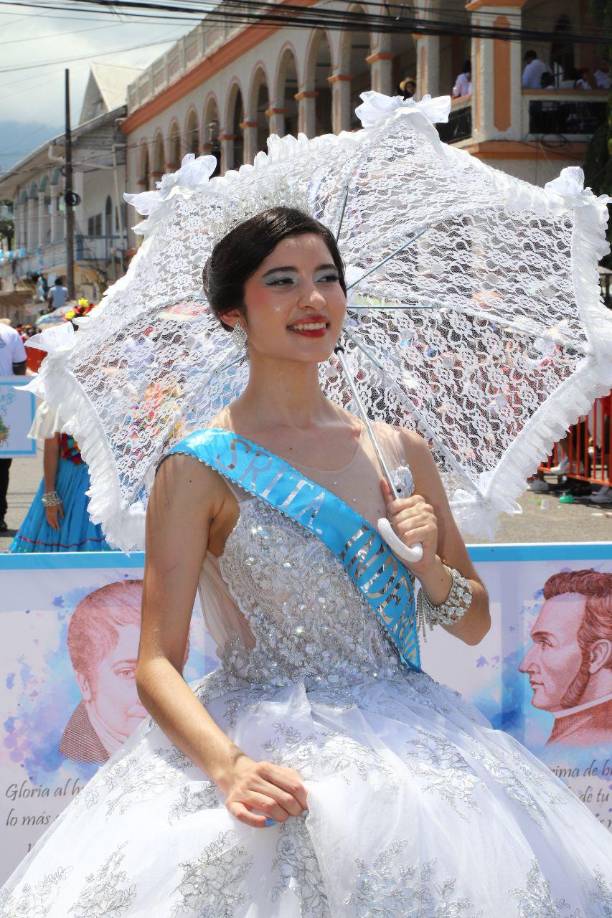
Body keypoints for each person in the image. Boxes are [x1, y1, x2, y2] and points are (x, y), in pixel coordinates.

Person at [2, 208, 612, 914]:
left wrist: (429, 567)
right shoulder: (199, 466)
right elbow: (154, 662)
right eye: (283, 281)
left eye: (328, 278)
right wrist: (228, 769)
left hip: (415, 746)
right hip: (259, 743)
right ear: (234, 311)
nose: (313, 299)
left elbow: (473, 624)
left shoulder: (399, 451)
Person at [519, 570, 612, 747]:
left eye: (546, 643)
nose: (525, 665)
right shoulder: (571, 736)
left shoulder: (586, 743)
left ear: (596, 656)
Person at [60, 581, 148, 764]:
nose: (151, 689)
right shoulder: (69, 762)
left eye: (168, 669)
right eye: (128, 673)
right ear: (85, 683)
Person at [9, 429, 112, 552]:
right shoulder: (59, 409)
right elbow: (52, 448)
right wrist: (50, 497)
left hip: (107, 483)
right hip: (69, 484)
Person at [0, 317, 27, 532]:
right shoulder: (10, 333)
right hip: (4, 403)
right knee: (2, 466)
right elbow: (20, 367)